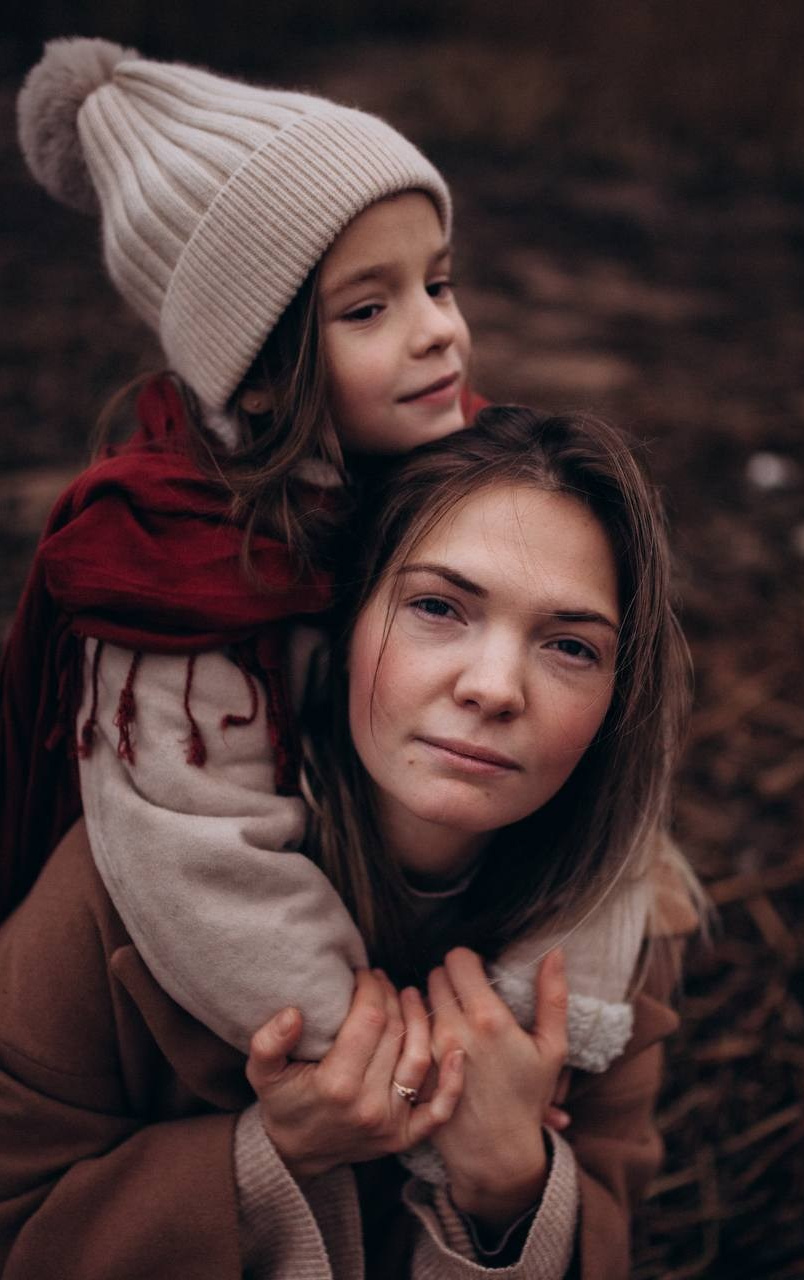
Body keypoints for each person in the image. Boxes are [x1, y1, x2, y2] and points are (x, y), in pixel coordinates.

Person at [0, 406, 700, 1279]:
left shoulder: (618, 936)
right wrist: (271, 1156)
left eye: (569, 646)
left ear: (617, 702)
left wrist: (511, 1182)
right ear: (347, 625)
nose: (494, 688)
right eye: (439, 606)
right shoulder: (124, 890)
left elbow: (612, 1229)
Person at [1, 36, 481, 1015]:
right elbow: (210, 880)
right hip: (238, 1017)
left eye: (436, 282)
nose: (438, 328)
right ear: (258, 377)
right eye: (368, 308)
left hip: (409, 924)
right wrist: (384, 1059)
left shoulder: (452, 471)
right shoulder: (167, 573)